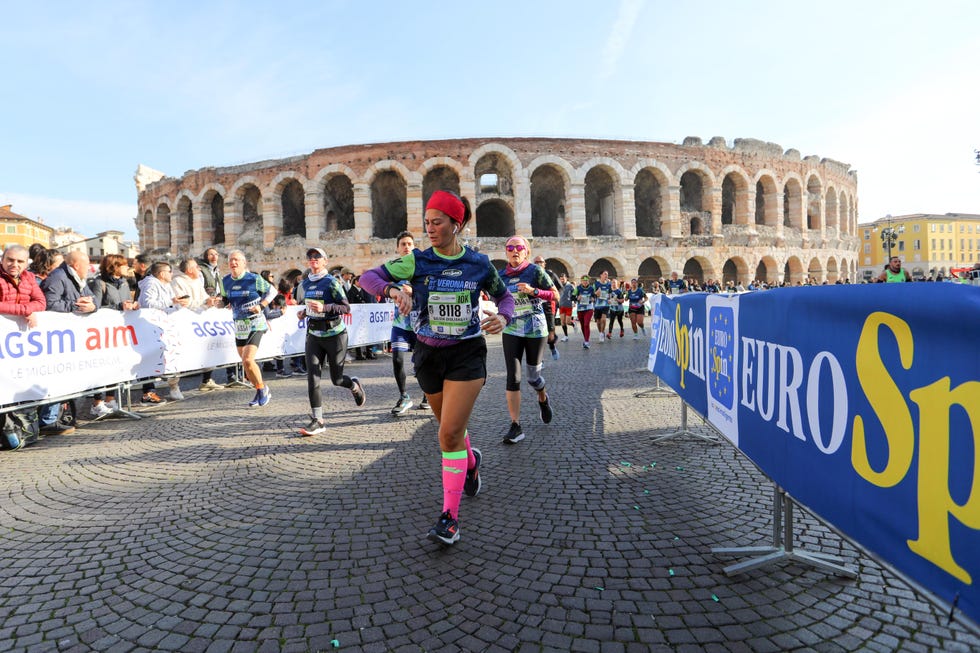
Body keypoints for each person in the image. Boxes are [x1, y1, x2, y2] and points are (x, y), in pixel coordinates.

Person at [360, 190, 514, 546]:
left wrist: (503, 316)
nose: (430, 229)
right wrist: (392, 290)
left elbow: (504, 295)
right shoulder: (416, 261)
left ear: (456, 224)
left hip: (466, 354)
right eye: (426, 222)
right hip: (427, 353)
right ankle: (471, 463)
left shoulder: (479, 263)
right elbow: (367, 277)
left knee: (446, 436)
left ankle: (450, 518)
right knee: (450, 429)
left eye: (437, 222)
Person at [296, 247, 364, 435]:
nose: (313, 259)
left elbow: (346, 308)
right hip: (314, 335)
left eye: (317, 256)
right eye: (310, 257)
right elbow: (310, 307)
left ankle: (354, 385)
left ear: (325, 261)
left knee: (337, 379)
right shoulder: (305, 283)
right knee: (313, 377)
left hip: (335, 335)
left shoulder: (331, 282)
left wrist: (324, 307)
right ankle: (318, 420)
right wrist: (304, 313)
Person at [499, 237, 556, 445]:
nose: (515, 251)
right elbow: (497, 298)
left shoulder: (535, 271)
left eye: (519, 247)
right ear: (506, 252)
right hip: (512, 328)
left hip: (535, 328)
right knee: (513, 377)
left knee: (533, 377)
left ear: (526, 252)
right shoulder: (500, 276)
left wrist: (534, 291)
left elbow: (555, 295)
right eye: (510, 248)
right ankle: (515, 425)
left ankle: (542, 397)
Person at [40, 250, 98, 434]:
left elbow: (92, 297)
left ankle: (60, 416)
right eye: (86, 265)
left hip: (71, 340)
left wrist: (92, 305)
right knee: (55, 376)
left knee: (66, 377)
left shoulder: (78, 279)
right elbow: (49, 304)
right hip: (54, 340)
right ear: (75, 265)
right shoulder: (58, 277)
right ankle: (48, 420)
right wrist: (75, 306)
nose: (89, 269)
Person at [0, 245, 47, 449]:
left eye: (20, 261)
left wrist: (29, 308)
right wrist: (23, 310)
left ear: (26, 262)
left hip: (18, 347)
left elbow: (41, 302)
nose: (14, 265)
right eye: (10, 260)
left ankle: (18, 431)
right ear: (3, 259)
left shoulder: (28, 277)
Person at [220, 250, 277, 407]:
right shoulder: (225, 280)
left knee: (247, 359)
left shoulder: (253, 278)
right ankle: (261, 389)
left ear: (244, 263)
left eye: (237, 260)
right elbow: (225, 300)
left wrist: (261, 305)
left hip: (256, 322)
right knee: (246, 364)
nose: (234, 262)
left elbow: (273, 291)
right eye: (231, 260)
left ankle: (262, 391)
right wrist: (217, 303)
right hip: (239, 324)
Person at [87, 254, 139, 416]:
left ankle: (111, 398)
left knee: (115, 365)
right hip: (102, 333)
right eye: (123, 265)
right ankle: (97, 402)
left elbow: (125, 301)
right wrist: (118, 306)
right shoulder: (99, 283)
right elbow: (95, 306)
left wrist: (132, 304)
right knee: (101, 366)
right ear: (114, 266)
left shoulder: (124, 283)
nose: (127, 268)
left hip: (120, 332)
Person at [386, 231, 428, 415]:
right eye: (403, 244)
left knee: (422, 363)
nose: (406, 247)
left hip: (421, 325)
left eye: (409, 244)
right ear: (397, 248)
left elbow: (430, 291)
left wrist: (414, 291)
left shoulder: (422, 269)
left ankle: (428, 394)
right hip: (400, 324)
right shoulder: (393, 270)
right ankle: (404, 397)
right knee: (397, 360)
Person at [138, 261, 191, 402]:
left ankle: (174, 386)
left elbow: (171, 304)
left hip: (167, 326)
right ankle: (149, 391)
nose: (172, 274)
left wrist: (179, 304)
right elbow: (147, 303)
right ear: (162, 274)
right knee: (152, 358)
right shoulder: (150, 284)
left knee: (173, 357)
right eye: (169, 271)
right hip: (152, 327)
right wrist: (171, 301)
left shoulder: (167, 286)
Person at [172, 258, 224, 391]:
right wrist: (204, 304)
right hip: (187, 320)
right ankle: (174, 385)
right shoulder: (178, 282)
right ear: (189, 270)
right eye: (196, 267)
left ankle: (207, 379)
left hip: (201, 319)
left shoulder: (197, 281)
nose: (199, 269)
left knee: (208, 348)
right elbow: (183, 302)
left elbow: (204, 297)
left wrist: (211, 300)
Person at [531, 255, 561, 360]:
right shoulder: (530, 275)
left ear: (544, 264)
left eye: (541, 262)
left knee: (550, 334)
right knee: (538, 333)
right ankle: (540, 359)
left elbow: (560, 288)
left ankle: (552, 346)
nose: (538, 264)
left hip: (549, 305)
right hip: (534, 306)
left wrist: (556, 300)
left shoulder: (550, 274)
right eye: (536, 262)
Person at [571, 275, 596, 348]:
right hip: (580, 309)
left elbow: (595, 296)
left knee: (586, 324)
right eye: (583, 281)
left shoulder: (591, 288)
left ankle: (587, 341)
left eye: (586, 281)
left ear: (588, 281)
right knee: (582, 325)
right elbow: (572, 297)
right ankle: (585, 339)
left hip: (589, 308)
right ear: (581, 281)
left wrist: (593, 299)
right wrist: (576, 298)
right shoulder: (578, 288)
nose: (585, 282)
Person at [592, 270, 612, 343]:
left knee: (603, 319)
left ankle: (602, 333)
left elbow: (610, 294)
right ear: (601, 275)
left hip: (606, 305)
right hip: (597, 305)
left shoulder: (609, 284)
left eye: (607, 274)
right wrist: (596, 293)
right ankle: (600, 332)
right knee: (598, 322)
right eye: (605, 274)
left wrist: (610, 299)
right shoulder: (596, 284)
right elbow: (592, 294)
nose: (606, 276)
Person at [557, 273, 575, 342]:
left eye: (563, 279)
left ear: (566, 278)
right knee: (563, 322)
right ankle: (566, 336)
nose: (562, 280)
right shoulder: (559, 286)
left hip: (568, 305)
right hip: (561, 305)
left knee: (568, 322)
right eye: (561, 279)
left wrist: (574, 302)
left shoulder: (570, 286)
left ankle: (573, 324)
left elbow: (574, 294)